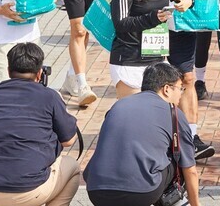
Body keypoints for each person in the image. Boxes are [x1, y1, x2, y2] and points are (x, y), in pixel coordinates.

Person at [84, 62, 200, 206]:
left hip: (96, 190)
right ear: (166, 89)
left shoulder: (118, 105)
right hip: (141, 193)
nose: (180, 95)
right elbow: (190, 169)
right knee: (177, 159)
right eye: (180, 88)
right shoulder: (173, 113)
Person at [0, 43, 79, 206]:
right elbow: (69, 140)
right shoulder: (49, 96)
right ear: (40, 73)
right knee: (72, 167)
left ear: (8, 71)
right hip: (28, 191)